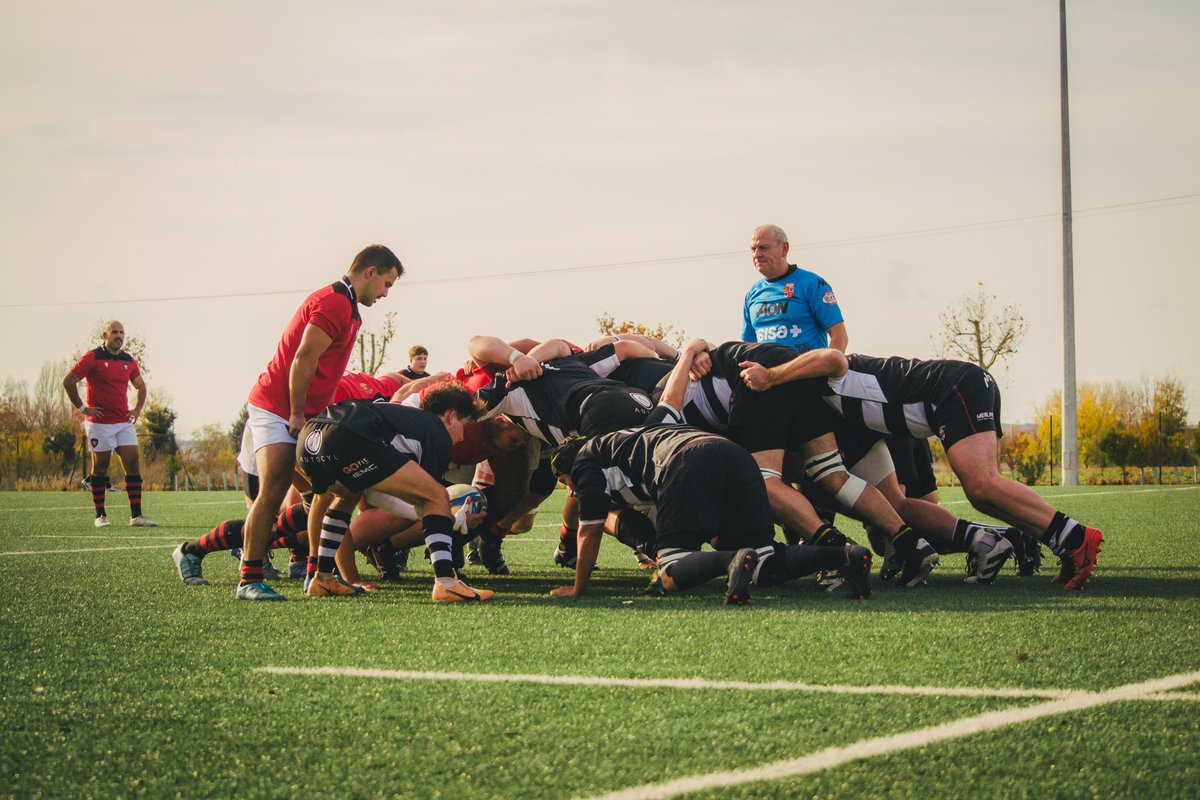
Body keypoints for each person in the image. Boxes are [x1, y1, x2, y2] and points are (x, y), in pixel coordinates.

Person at [739, 350, 1105, 590]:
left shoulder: (811, 379)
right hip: (946, 396)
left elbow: (834, 356)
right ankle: (1062, 542)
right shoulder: (819, 408)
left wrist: (771, 375)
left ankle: (1077, 538)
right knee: (948, 498)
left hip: (952, 388)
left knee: (981, 486)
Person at [547, 352, 873, 604]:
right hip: (733, 455)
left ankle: (733, 561)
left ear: (569, 468)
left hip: (687, 462)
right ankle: (845, 555)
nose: (569, 489)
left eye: (565, 481)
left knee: (671, 571)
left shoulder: (586, 461)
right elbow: (670, 401)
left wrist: (578, 588)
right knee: (766, 561)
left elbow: (588, 533)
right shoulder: (636, 434)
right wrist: (687, 353)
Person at [237, 244, 403, 601]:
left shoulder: (351, 309)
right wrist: (298, 413)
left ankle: (318, 575)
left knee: (326, 491)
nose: (386, 293)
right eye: (386, 284)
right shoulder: (334, 302)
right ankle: (248, 578)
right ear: (370, 272)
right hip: (276, 406)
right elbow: (305, 356)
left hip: (302, 411)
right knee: (276, 485)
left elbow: (325, 371)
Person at [297, 384, 493, 602]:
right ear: (452, 416)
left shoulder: (405, 421)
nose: (462, 437)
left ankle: (323, 578)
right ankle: (447, 583)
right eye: (464, 426)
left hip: (309, 438)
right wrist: (449, 518)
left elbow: (377, 495)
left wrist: (442, 516)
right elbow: (429, 503)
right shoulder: (435, 431)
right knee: (437, 495)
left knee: (346, 496)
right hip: (345, 437)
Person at [62, 320, 156, 527]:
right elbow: (68, 380)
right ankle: (100, 516)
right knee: (101, 467)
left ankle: (137, 516)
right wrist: (82, 408)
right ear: (105, 335)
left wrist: (138, 409)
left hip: (123, 422)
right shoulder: (93, 357)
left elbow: (141, 386)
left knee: (132, 463)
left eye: (121, 332)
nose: (118, 336)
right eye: (114, 332)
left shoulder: (128, 360)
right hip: (99, 424)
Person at [743, 224, 847, 352]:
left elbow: (840, 337)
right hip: (766, 371)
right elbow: (747, 346)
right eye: (753, 249)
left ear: (784, 249)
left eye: (763, 248)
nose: (757, 254)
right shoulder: (753, 293)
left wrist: (829, 368)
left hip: (806, 370)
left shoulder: (812, 283)